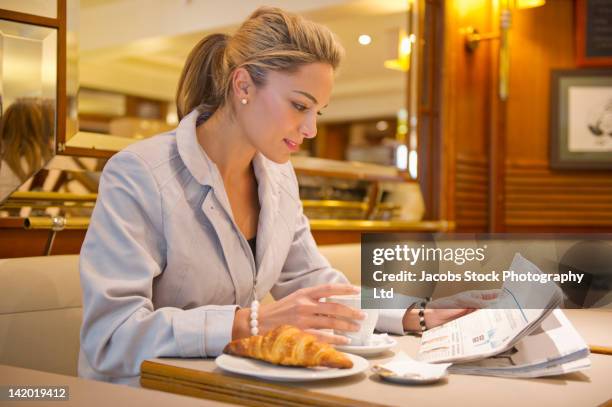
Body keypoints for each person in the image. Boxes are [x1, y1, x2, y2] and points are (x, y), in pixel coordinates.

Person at [78, 6, 494, 385]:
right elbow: (112, 337)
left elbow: (317, 283)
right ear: (243, 84)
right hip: (149, 392)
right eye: (299, 106)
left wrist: (415, 313)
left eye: (318, 112)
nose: (311, 129)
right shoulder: (140, 173)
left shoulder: (277, 177)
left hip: (232, 386)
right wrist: (250, 322)